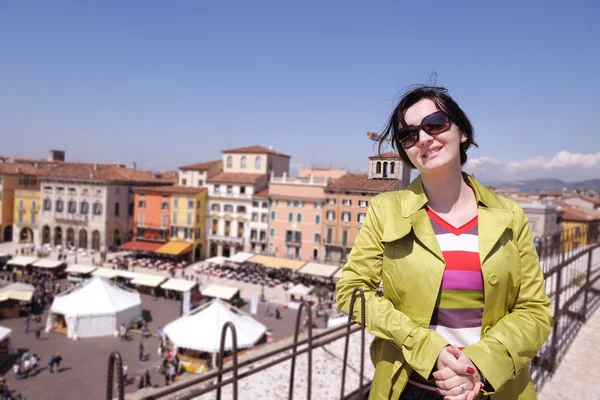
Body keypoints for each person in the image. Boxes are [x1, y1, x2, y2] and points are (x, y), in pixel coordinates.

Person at [335, 86, 552, 400]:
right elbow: (351, 291)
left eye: (434, 124)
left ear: (461, 131)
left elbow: (534, 311)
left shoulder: (510, 215)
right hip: (409, 390)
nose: (423, 138)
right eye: (408, 135)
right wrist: (424, 346)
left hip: (496, 389)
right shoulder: (385, 210)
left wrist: (481, 363)